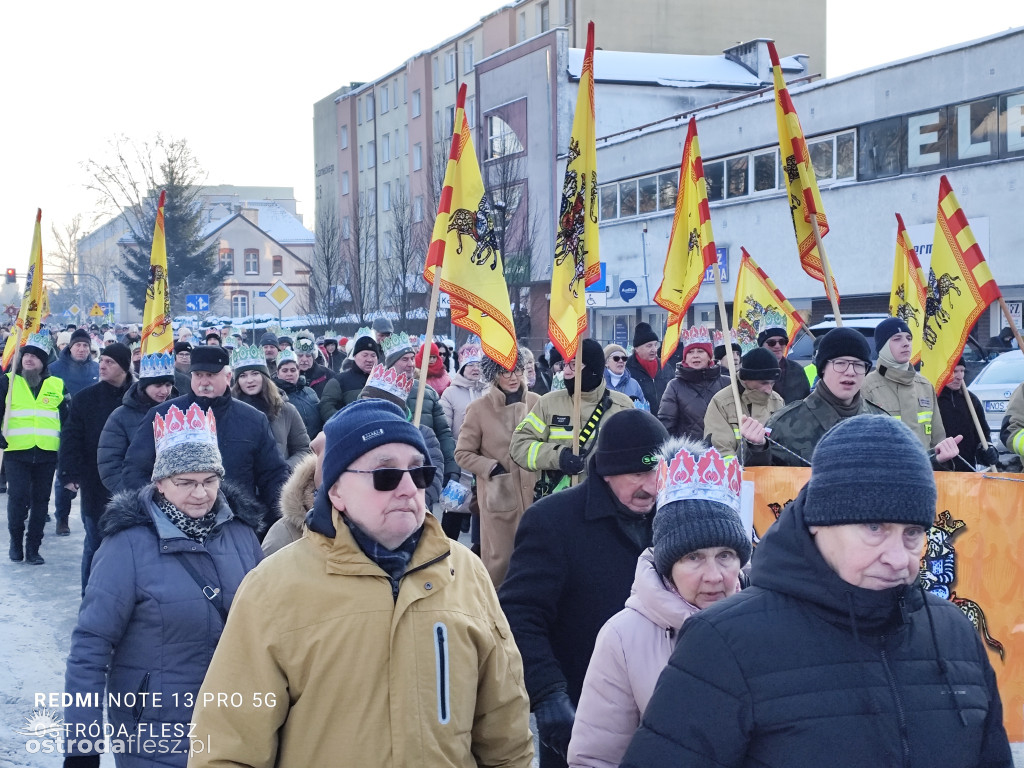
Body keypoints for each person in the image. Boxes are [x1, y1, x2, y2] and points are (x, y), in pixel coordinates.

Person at [619, 415, 1013, 768]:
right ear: (818, 524)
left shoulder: (954, 633)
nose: (898, 558)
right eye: (874, 528)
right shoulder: (724, 643)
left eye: (912, 533)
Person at [187, 399, 534, 767]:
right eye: (385, 475)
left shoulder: (466, 571)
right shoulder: (272, 588)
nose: (407, 488)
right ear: (335, 490)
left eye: (419, 473)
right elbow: (226, 746)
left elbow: (505, 728)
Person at [63, 403, 264, 768]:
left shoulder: (242, 536)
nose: (201, 494)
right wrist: (83, 747)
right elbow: (90, 649)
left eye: (209, 480)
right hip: (153, 735)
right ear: (159, 483)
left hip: (235, 729)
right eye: (185, 482)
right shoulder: (127, 546)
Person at [500, 410, 670, 768]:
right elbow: (520, 614)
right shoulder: (553, 522)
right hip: (581, 711)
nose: (651, 486)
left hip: (662, 707)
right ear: (606, 471)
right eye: (638, 472)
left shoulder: (673, 516)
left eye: (658, 472)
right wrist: (547, 693)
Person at [568, 436, 750, 768]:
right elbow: (596, 759)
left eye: (725, 555)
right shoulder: (623, 638)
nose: (714, 576)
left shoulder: (770, 627)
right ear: (668, 565)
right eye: (693, 557)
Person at [121, 346, 290, 532]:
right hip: (174, 525)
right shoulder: (163, 415)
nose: (203, 382)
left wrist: (276, 521)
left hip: (236, 525)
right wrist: (159, 512)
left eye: (210, 375)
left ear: (227, 377)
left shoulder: (253, 419)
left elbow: (273, 474)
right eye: (198, 375)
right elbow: (136, 469)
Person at [455, 349, 540, 586]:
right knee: (500, 565)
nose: (513, 377)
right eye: (505, 372)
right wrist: (491, 467)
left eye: (517, 370)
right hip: (499, 498)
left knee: (537, 560)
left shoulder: (537, 403)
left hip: (535, 494)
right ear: (494, 375)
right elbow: (462, 453)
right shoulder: (479, 408)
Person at [510, 339, 633, 493]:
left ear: (593, 369)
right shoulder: (548, 404)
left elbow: (635, 456)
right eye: (565, 364)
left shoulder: (623, 406)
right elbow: (519, 446)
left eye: (574, 365)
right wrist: (558, 457)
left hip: (609, 501)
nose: (566, 372)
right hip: (561, 503)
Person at [751, 327, 888, 467]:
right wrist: (756, 449)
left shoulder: (883, 423)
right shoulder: (783, 425)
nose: (850, 372)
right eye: (840, 363)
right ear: (823, 367)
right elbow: (757, 479)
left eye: (859, 365)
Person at [58, 342, 133, 589]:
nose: (102, 365)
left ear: (123, 366)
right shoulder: (85, 399)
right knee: (96, 542)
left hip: (133, 481)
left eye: (110, 362)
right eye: (101, 360)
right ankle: (89, 597)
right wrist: (69, 473)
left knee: (131, 547)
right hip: (95, 480)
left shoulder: (138, 396)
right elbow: (71, 438)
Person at [2, 334, 68, 565]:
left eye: (34, 356)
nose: (29, 359)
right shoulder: (7, 382)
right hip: (16, 451)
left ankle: (33, 548)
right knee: (18, 498)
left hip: (47, 453)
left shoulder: (56, 384)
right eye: (26, 355)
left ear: (44, 361)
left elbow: (67, 420)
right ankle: (15, 542)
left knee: (41, 501)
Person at [862, 317, 961, 467]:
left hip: (925, 475)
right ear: (883, 346)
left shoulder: (925, 385)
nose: (906, 343)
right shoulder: (866, 386)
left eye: (909, 338)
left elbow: (938, 439)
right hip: (885, 477)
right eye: (896, 339)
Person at [385, 332, 460, 490]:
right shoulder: (375, 392)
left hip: (423, 472)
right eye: (404, 359)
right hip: (388, 475)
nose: (411, 364)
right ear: (391, 363)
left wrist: (452, 467)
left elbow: (443, 433)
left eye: (412, 358)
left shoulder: (427, 392)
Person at [98, 352, 176, 495]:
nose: (164, 391)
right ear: (145, 385)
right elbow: (110, 464)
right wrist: (133, 494)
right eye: (158, 385)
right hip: (137, 497)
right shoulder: (121, 416)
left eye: (168, 385)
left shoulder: (179, 412)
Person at [47, 326, 98, 536]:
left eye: (86, 345)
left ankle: (90, 518)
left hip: (91, 428)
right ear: (70, 347)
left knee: (90, 478)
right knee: (65, 476)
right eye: (78, 345)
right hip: (64, 428)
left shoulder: (96, 369)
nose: (82, 349)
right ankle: (62, 518)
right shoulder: (55, 369)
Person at [230, 345, 311, 470]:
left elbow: (303, 449)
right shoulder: (229, 411)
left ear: (265, 377)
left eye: (255, 373)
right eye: (243, 376)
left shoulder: (286, 410)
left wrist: (285, 468)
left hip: (278, 484)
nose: (249, 380)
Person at [703, 348, 784, 460]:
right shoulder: (722, 402)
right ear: (746, 379)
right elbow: (721, 452)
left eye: (772, 383)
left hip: (773, 475)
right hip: (738, 475)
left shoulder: (777, 401)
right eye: (764, 383)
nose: (769, 390)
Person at [658, 326, 729, 441]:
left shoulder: (726, 382)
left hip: (724, 451)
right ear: (685, 357)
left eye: (700, 351)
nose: (695, 355)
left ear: (709, 356)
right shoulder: (675, 386)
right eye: (690, 352)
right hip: (690, 454)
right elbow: (666, 426)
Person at [939, 358, 998, 471]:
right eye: (954, 371)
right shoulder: (932, 399)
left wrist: (987, 451)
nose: (960, 376)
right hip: (939, 471)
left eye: (962, 371)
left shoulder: (971, 400)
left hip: (968, 471)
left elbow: (983, 434)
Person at [319, 328, 379, 421]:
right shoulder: (339, 381)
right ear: (355, 356)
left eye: (373, 355)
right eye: (365, 355)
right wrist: (347, 421)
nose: (369, 359)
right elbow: (326, 407)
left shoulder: (383, 381)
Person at [440, 339, 485, 442]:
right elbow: (444, 428)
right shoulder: (450, 393)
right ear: (462, 369)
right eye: (470, 365)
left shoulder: (490, 391)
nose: (476, 368)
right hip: (460, 451)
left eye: (478, 365)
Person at [273, 348, 322, 439]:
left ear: (298, 371)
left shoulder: (310, 392)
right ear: (278, 373)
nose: (289, 374)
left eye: (293, 370)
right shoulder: (273, 395)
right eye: (284, 370)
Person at [758, 326, 810, 404]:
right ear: (762, 346)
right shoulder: (753, 370)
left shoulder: (797, 370)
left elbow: (806, 400)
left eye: (782, 342)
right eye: (771, 343)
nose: (777, 346)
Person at [625, 322, 662, 411]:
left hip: (664, 422)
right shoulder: (627, 368)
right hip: (640, 420)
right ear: (637, 348)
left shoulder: (665, 366)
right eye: (649, 346)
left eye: (655, 345)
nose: (654, 349)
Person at [603, 343, 647, 408]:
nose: (621, 361)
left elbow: (644, 410)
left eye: (624, 358)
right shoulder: (599, 383)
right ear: (606, 362)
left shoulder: (634, 384)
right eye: (616, 358)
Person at [294, 331, 333, 396]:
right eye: (300, 355)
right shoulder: (287, 375)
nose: (304, 360)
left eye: (308, 355)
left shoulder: (327, 375)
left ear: (313, 356)